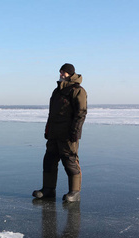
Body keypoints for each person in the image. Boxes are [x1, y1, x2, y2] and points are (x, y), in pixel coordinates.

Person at [33, 63, 87, 202]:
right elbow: (52, 113)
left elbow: (81, 113)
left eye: (64, 72)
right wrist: (48, 129)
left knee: (70, 160)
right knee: (49, 161)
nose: (61, 74)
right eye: (61, 72)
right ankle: (48, 190)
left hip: (68, 134)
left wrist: (75, 132)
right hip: (54, 133)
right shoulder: (57, 91)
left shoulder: (78, 90)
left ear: (71, 74)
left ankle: (74, 192)